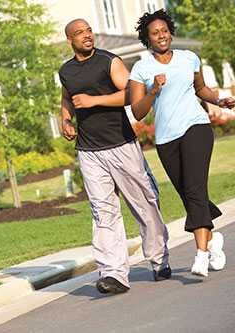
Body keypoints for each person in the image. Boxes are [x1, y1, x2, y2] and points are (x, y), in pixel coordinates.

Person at [59, 19, 170, 294]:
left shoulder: (110, 62)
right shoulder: (66, 71)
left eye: (88, 30)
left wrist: (95, 100)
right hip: (89, 151)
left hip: (121, 143)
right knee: (103, 211)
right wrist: (65, 119)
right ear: (70, 40)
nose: (87, 36)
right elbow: (67, 98)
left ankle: (158, 259)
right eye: (80, 33)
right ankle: (113, 273)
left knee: (143, 203)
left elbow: (133, 95)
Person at [129, 9, 235, 277]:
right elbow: (138, 111)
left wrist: (219, 100)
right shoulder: (141, 68)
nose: (161, 35)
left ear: (170, 32)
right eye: (155, 33)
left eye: (164, 30)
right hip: (166, 138)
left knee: (196, 188)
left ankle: (200, 254)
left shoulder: (189, 58)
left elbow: (201, 89)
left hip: (196, 127)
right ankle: (213, 241)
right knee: (187, 193)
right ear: (147, 38)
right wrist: (153, 90)